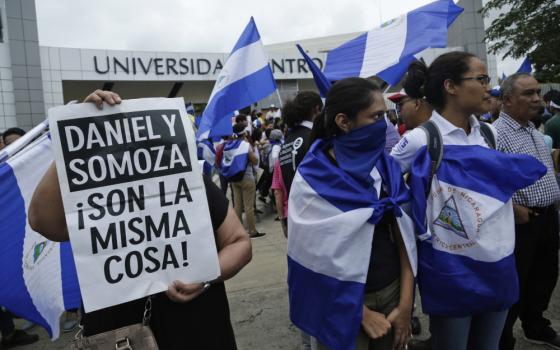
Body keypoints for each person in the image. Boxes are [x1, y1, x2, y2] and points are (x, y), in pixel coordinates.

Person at [28, 90, 253, 350]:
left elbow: (239, 243)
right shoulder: (90, 194)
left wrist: (205, 277)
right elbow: (40, 220)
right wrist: (76, 133)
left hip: (197, 327)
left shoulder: (188, 182)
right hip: (117, 335)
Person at [391, 52, 543, 350]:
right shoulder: (422, 139)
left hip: (497, 264)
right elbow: (386, 187)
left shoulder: (488, 134)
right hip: (450, 271)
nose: (490, 87)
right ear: (451, 86)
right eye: (482, 79)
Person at [290, 78, 415, 350]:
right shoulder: (312, 179)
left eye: (386, 115)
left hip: (392, 293)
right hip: (338, 303)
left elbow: (405, 238)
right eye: (377, 116)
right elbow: (311, 260)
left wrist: (406, 304)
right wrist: (360, 313)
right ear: (344, 122)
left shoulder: (387, 168)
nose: (385, 124)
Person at [494, 74, 560, 350]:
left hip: (547, 219)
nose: (536, 99)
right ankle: (502, 336)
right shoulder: (495, 134)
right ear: (508, 100)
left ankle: (535, 325)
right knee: (515, 283)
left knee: (545, 277)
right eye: (528, 94)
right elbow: (487, 183)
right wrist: (511, 207)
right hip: (520, 222)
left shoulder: (534, 131)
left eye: (537, 93)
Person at [274, 91, 323, 237]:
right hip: (317, 216)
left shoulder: (287, 142)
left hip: (296, 215)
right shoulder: (315, 137)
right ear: (316, 109)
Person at [223, 123, 265, 239]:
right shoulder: (245, 145)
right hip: (247, 178)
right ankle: (252, 231)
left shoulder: (229, 144)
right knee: (248, 207)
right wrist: (255, 158)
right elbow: (254, 161)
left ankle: (239, 231)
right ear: (244, 133)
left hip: (234, 179)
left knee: (237, 206)